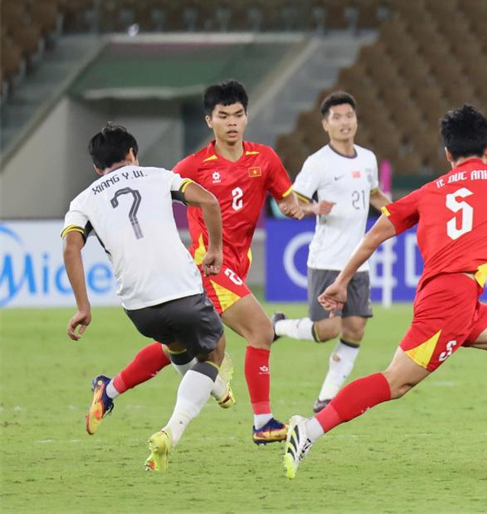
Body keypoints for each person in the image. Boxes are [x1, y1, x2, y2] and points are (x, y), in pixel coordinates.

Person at [282, 104, 487, 479]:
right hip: (450, 300)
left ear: (447, 154)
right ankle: (310, 429)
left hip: (456, 296)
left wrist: (342, 280)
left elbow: (374, 235)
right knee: (396, 382)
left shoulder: (428, 192)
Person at [85, 81, 305, 446]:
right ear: (209, 120)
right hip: (209, 267)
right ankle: (263, 422)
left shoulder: (265, 158)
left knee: (178, 348)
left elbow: (286, 198)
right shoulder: (192, 166)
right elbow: (151, 200)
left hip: (236, 267)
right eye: (223, 116)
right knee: (261, 331)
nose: (232, 122)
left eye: (238, 115)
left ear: (246, 117)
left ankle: (108, 390)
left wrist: (295, 207)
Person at [63, 124, 233, 471]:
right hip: (181, 289)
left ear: (96, 167)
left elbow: (70, 247)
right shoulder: (158, 176)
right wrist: (215, 249)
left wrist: (83, 306)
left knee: (175, 345)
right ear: (132, 154)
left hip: (138, 306)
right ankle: (171, 432)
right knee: (215, 350)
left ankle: (214, 389)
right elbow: (209, 200)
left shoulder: (83, 200)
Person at [272, 91, 390, 413]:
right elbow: (287, 204)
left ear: (356, 120)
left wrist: (399, 212)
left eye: (349, 116)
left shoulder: (367, 158)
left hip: (358, 260)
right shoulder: (318, 163)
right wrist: (313, 208)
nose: (344, 122)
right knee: (327, 330)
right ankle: (278, 327)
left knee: (356, 328)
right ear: (325, 124)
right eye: (336, 117)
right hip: (326, 259)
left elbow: (375, 194)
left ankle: (326, 396)